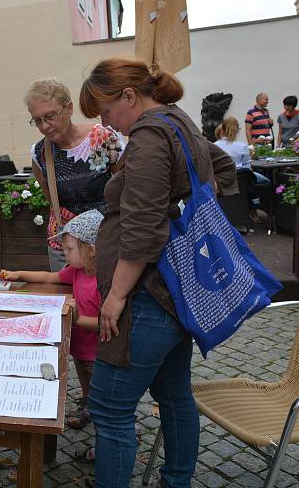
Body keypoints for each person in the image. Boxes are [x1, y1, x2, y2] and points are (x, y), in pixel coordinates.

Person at [79, 58, 237, 487]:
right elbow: (222, 169)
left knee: (109, 408)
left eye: (106, 112)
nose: (107, 124)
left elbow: (144, 228)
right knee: (173, 396)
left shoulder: (149, 133)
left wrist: (115, 297)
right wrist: (186, 204)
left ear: (129, 96)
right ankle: (177, 481)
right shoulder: (179, 122)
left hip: (147, 294)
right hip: (175, 292)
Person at [0, 209, 103, 461]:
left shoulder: (104, 279)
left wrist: (77, 319)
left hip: (99, 355)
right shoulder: (76, 270)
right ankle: (91, 410)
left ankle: (105, 447)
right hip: (80, 351)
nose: (64, 254)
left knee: (105, 404)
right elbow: (50, 276)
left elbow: (106, 322)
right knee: (90, 392)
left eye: (68, 249)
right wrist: (19, 275)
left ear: (90, 249)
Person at [25, 78, 123, 272]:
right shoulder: (40, 154)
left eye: (50, 116)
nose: (44, 126)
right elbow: (52, 201)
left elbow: (124, 187)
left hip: (104, 242)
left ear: (69, 108)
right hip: (64, 247)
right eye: (37, 120)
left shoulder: (103, 139)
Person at [214, 116, 267, 231]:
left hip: (221, 182)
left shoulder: (215, 145)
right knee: (265, 181)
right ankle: (258, 206)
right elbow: (247, 167)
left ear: (222, 129)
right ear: (237, 130)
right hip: (241, 181)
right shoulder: (242, 146)